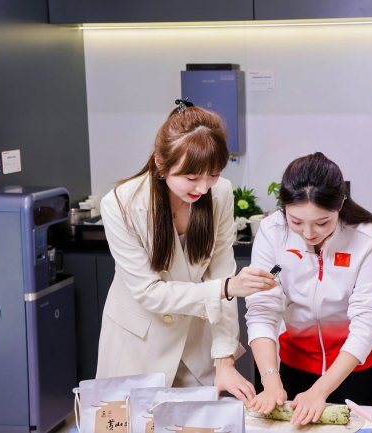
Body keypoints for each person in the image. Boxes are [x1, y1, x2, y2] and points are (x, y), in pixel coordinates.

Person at [96, 100, 277, 403]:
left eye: (213, 174)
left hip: (195, 341)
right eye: (192, 178)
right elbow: (150, 293)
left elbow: (222, 275)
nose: (203, 188)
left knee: (199, 420)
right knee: (134, 419)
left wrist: (224, 359)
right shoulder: (121, 204)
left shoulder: (220, 193)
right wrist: (226, 288)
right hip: (138, 343)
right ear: (161, 163)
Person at [245, 152, 372, 425]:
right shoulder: (272, 231)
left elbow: (367, 320)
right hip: (294, 358)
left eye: (322, 222)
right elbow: (262, 310)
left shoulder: (368, 238)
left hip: (355, 363)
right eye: (296, 222)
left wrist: (320, 391)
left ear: (340, 204)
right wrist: (271, 380)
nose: (309, 233)